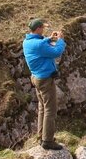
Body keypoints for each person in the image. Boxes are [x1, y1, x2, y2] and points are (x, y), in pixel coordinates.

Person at [22, 18, 66, 150]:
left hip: (36, 78)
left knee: (42, 107)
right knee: (50, 110)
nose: (44, 30)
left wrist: (49, 38)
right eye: (43, 28)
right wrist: (60, 40)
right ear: (38, 29)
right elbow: (56, 52)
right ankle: (47, 141)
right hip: (45, 80)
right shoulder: (39, 45)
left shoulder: (27, 41)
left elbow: (39, 44)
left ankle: (41, 135)